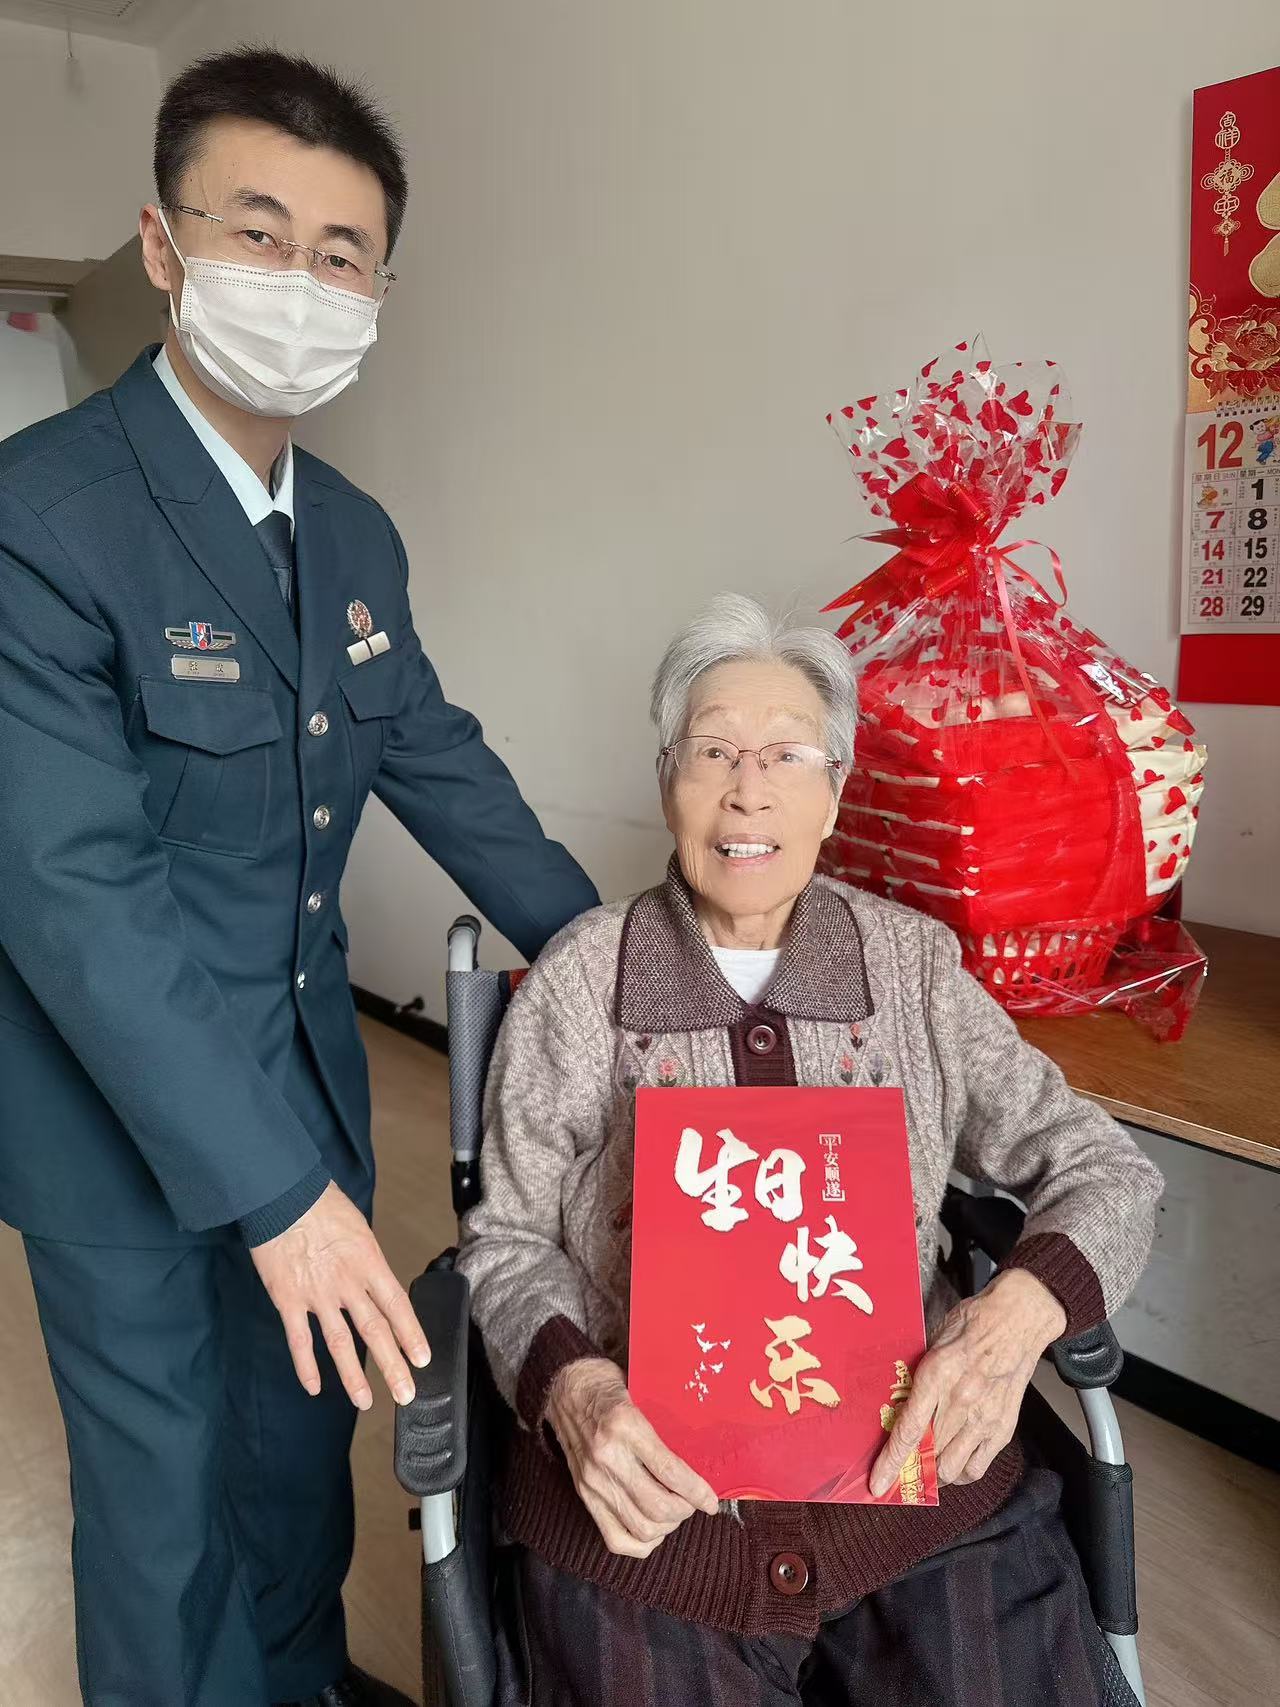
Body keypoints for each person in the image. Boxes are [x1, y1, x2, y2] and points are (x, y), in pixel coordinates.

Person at [0, 46, 597, 1707]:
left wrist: (620, 956)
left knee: (296, 1425)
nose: (301, 281)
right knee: (164, 1471)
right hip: (106, 1104)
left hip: (306, 1072)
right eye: (258, 233)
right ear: (163, 244)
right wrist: (270, 1195)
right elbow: (73, 889)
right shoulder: (41, 518)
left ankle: (299, 1673)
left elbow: (440, 760)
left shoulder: (352, 531)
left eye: (342, 254)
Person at [458, 594, 1163, 1706]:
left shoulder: (912, 968)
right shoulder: (583, 979)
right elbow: (504, 1240)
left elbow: (1107, 1170)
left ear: (834, 791)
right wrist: (575, 1390)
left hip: (916, 1499)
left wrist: (1013, 1320)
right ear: (667, 782)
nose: (748, 789)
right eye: (713, 752)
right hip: (653, 1518)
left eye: (787, 754)